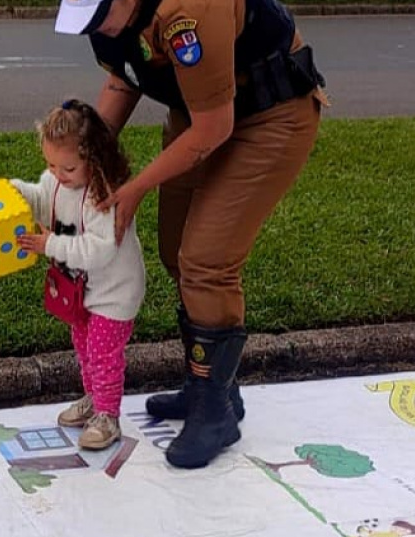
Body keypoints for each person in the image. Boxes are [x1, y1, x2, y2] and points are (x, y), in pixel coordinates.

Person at [53, 0, 327, 468]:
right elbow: (124, 76)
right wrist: (82, 162)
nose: (96, 28)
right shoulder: (112, 19)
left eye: (101, 16)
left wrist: (135, 187)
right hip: (202, 105)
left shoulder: (192, 10)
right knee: (174, 248)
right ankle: (213, 388)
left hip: (268, 113)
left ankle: (212, 412)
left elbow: (213, 128)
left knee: (206, 261)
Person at [10, 99, 146, 450]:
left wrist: (50, 244)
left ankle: (107, 415)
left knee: (102, 352)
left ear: (94, 160)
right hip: (81, 290)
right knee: (84, 347)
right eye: (50, 164)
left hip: (114, 291)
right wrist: (17, 194)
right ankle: (93, 398)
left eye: (67, 168)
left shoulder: (102, 198)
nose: (57, 174)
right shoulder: (56, 181)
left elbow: (99, 250)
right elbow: (43, 198)